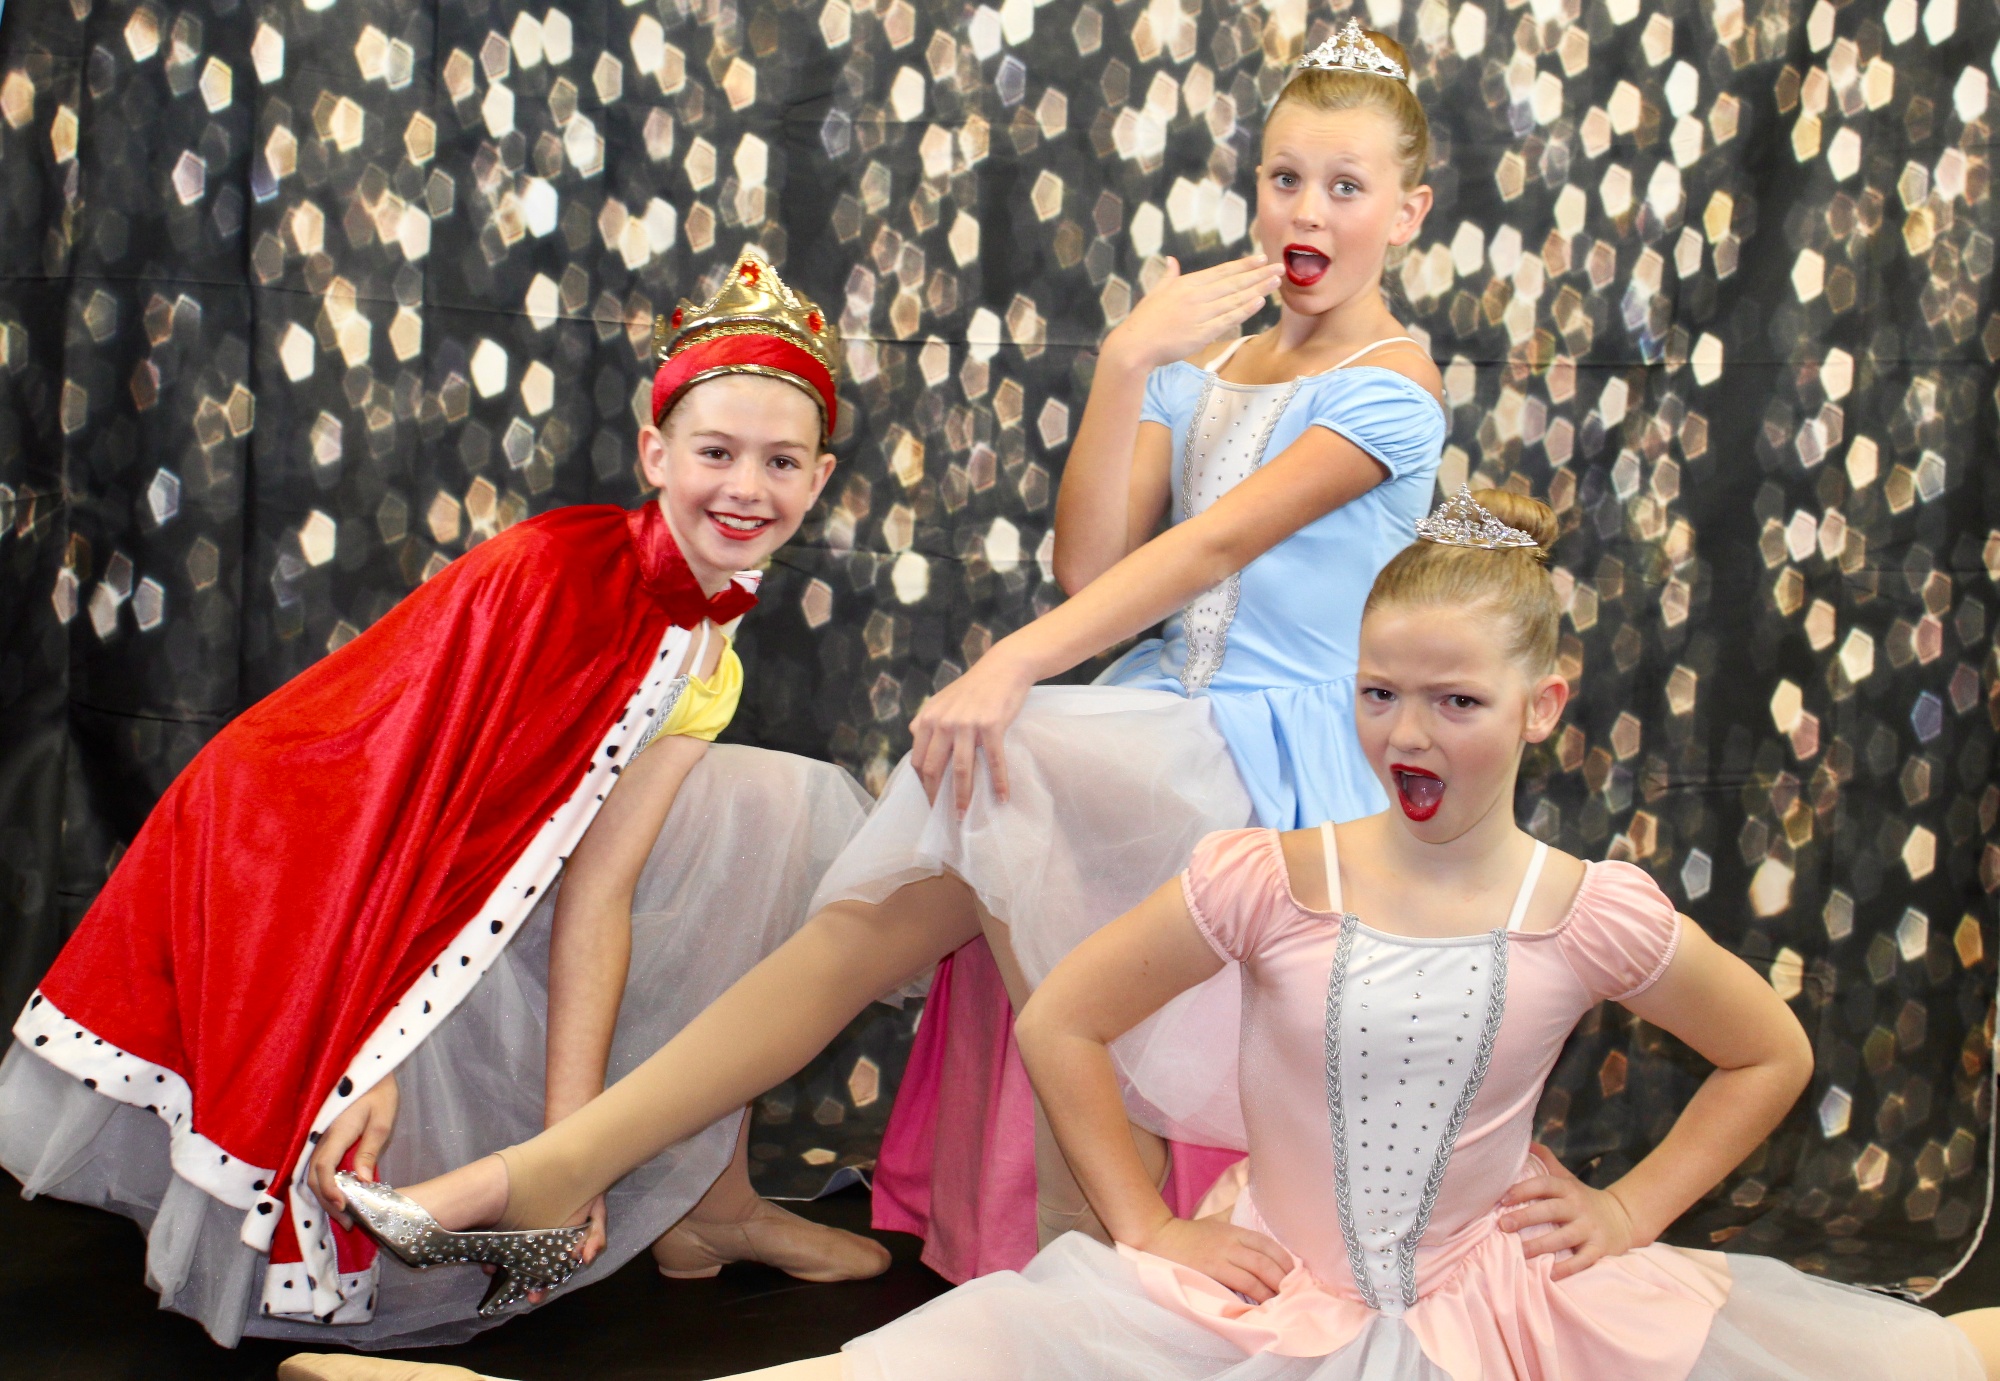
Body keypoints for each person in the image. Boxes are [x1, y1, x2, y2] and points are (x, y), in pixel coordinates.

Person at [321, 18, 1451, 1289]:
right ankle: (538, 1176)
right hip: (1159, 721)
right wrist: (1127, 361)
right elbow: (1091, 566)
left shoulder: (1392, 387)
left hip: (1282, 757)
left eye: (1345, 187)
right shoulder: (1212, 360)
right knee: (862, 923)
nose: (1306, 211)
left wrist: (1009, 666)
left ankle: (1120, 1246)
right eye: (1285, 177)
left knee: (1009, 753)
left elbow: (1206, 551)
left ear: (1405, 213)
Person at [675, 487, 1999, 1381]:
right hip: (1266, 1302)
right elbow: (1065, 1016)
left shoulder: (1583, 911)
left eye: (1455, 701)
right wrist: (1147, 1225)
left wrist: (1627, 1206)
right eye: (1377, 695)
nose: (1407, 734)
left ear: (1542, 707)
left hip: (1498, 1315)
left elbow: (1768, 1051)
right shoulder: (1270, 877)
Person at [0, 247, 889, 1349]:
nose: (746, 489)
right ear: (655, 454)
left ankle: (712, 1204)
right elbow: (408, 813)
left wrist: (572, 1155)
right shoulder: (555, 578)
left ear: (820, 478)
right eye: (716, 452)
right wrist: (361, 1060)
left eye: (780, 461)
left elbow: (601, 890)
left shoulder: (708, 648)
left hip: (452, 873)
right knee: (760, 811)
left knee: (762, 810)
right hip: (291, 843)